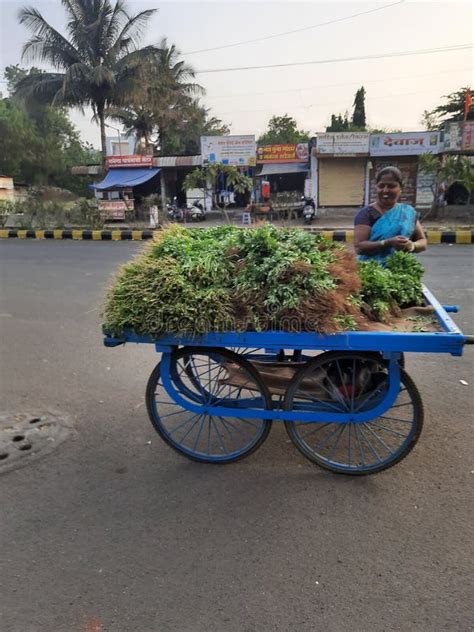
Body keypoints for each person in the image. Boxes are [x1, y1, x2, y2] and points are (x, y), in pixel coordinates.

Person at [354, 166, 427, 264]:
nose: (385, 190)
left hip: (400, 271)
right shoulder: (367, 213)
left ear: (401, 188)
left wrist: (412, 246)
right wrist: (387, 243)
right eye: (381, 186)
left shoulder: (408, 212)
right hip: (372, 271)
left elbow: (422, 241)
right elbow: (359, 247)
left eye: (391, 186)